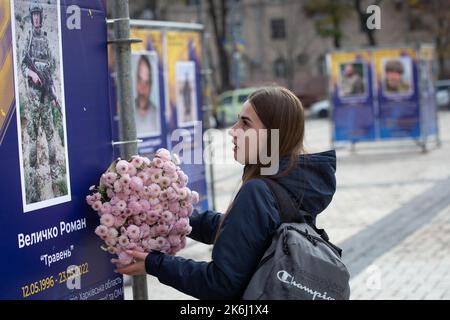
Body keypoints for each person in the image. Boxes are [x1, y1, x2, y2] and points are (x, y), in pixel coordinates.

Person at [112, 87, 337, 300]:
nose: (233, 130)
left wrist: (155, 264)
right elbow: (247, 235)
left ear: (272, 135)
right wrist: (175, 217)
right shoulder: (294, 180)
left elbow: (220, 284)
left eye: (245, 124)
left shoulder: (259, 190)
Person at [21, 0, 61, 202]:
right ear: (31, 17)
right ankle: (32, 180)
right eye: (34, 15)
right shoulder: (27, 38)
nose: (36, 18)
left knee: (51, 132)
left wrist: (54, 94)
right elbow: (21, 64)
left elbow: (51, 71)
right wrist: (31, 74)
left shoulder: (45, 40)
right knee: (33, 135)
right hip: (34, 96)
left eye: (39, 15)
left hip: (46, 96)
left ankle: (56, 177)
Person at [134, 55, 159, 135]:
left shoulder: (156, 114)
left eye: (146, 82)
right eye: (140, 79)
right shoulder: (126, 113)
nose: (143, 86)